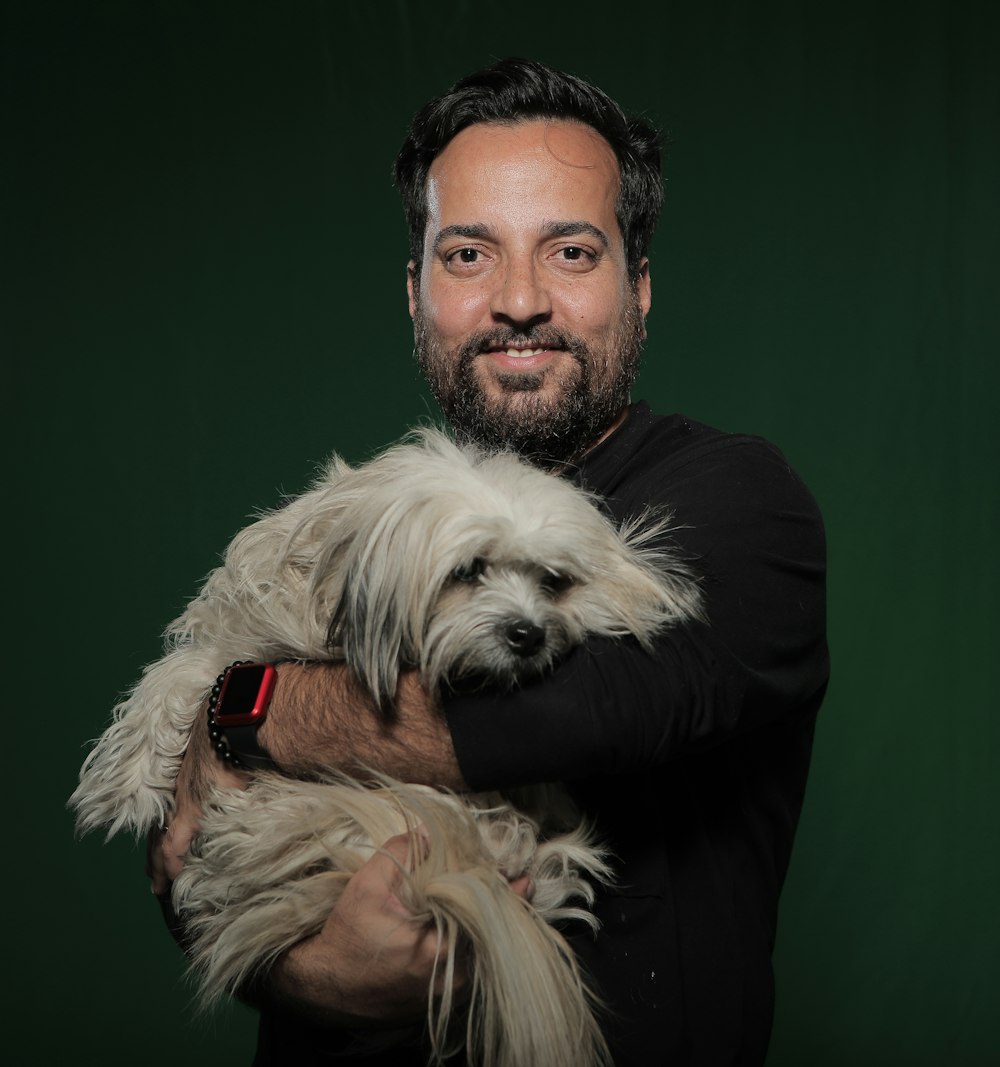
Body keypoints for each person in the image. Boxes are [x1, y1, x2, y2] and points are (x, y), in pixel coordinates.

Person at [149, 58, 828, 1065]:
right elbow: (184, 845)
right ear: (414, 293)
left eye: (569, 250)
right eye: (467, 253)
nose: (518, 298)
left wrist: (245, 710)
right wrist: (304, 971)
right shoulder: (360, 515)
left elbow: (577, 706)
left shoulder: (738, 501)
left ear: (638, 287)